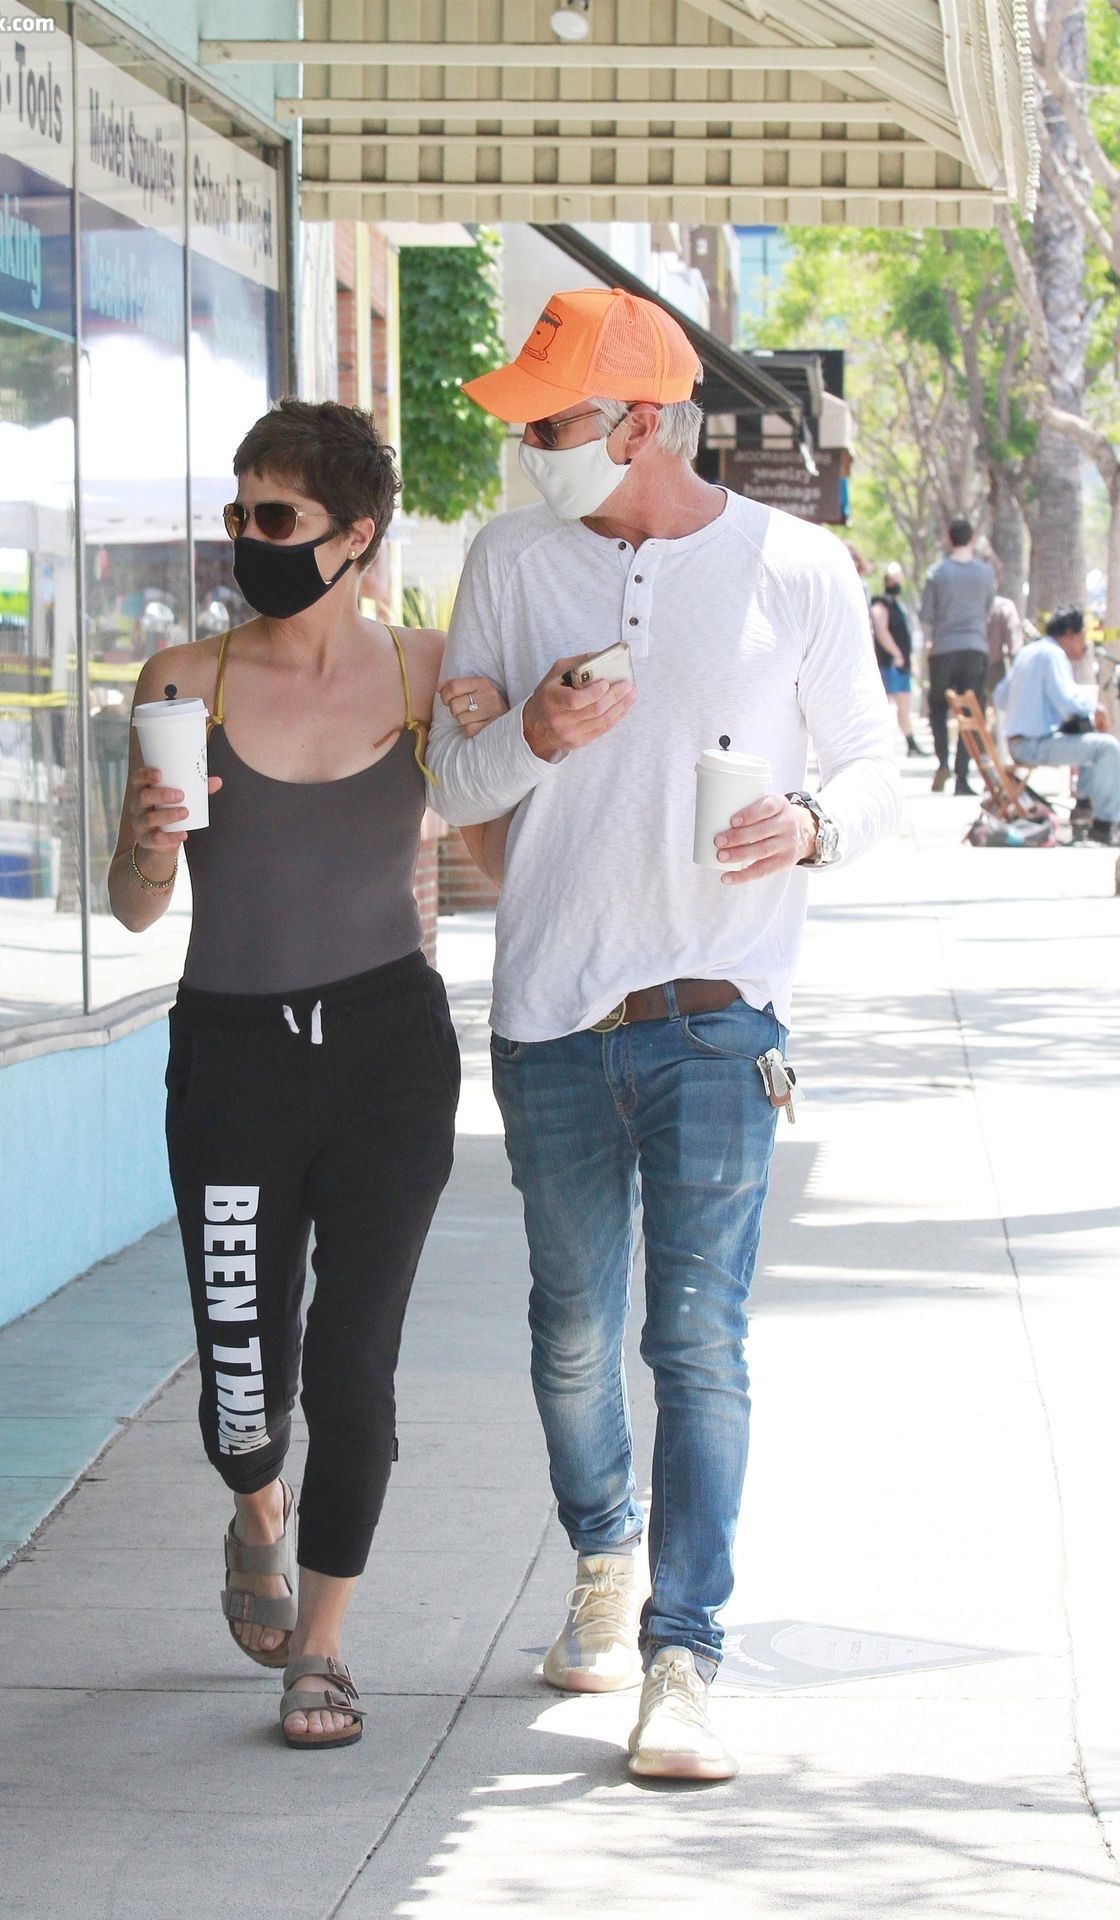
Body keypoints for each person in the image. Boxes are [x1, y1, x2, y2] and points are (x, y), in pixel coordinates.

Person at [428, 286, 902, 1784]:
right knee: (572, 1331)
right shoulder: (509, 559)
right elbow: (451, 782)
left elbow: (876, 765)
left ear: (640, 423)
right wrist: (533, 734)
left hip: (716, 1017)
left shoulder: (796, 564)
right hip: (552, 1013)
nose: (532, 450)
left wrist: (811, 822)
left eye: (552, 424)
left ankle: (683, 1653)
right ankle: (603, 1554)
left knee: (697, 1338)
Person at [108, 400, 472, 1751]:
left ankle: (319, 1648)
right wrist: (148, 840)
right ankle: (254, 1504)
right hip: (234, 1056)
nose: (246, 539)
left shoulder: (429, 674)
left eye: (275, 517)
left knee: (356, 1363)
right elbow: (136, 906)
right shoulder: (182, 681)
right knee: (242, 1376)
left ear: (355, 537)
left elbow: (497, 816)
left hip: (388, 1053)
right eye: (238, 513)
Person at [994, 606, 1119, 845]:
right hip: (1034, 745)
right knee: (1107, 747)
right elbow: (1065, 700)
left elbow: (1000, 697)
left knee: (1090, 743)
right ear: (1070, 633)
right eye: (1082, 637)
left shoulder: (1028, 651)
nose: (1083, 645)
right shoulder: (1052, 654)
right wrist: (1094, 707)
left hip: (1017, 744)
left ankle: (1083, 810)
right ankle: (1104, 824)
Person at [920, 517, 996, 796]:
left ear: (949, 539)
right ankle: (962, 776)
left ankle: (942, 762)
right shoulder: (985, 573)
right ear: (972, 539)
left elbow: (926, 613)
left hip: (943, 649)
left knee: (938, 708)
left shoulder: (937, 573)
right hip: (975, 648)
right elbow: (989, 607)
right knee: (971, 712)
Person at [871, 564, 925, 755]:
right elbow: (880, 629)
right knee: (884, 705)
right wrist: (895, 653)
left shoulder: (899, 606)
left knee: (904, 705)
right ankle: (877, 746)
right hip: (889, 663)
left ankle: (911, 743)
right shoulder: (881, 603)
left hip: (902, 664)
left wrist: (910, 660)